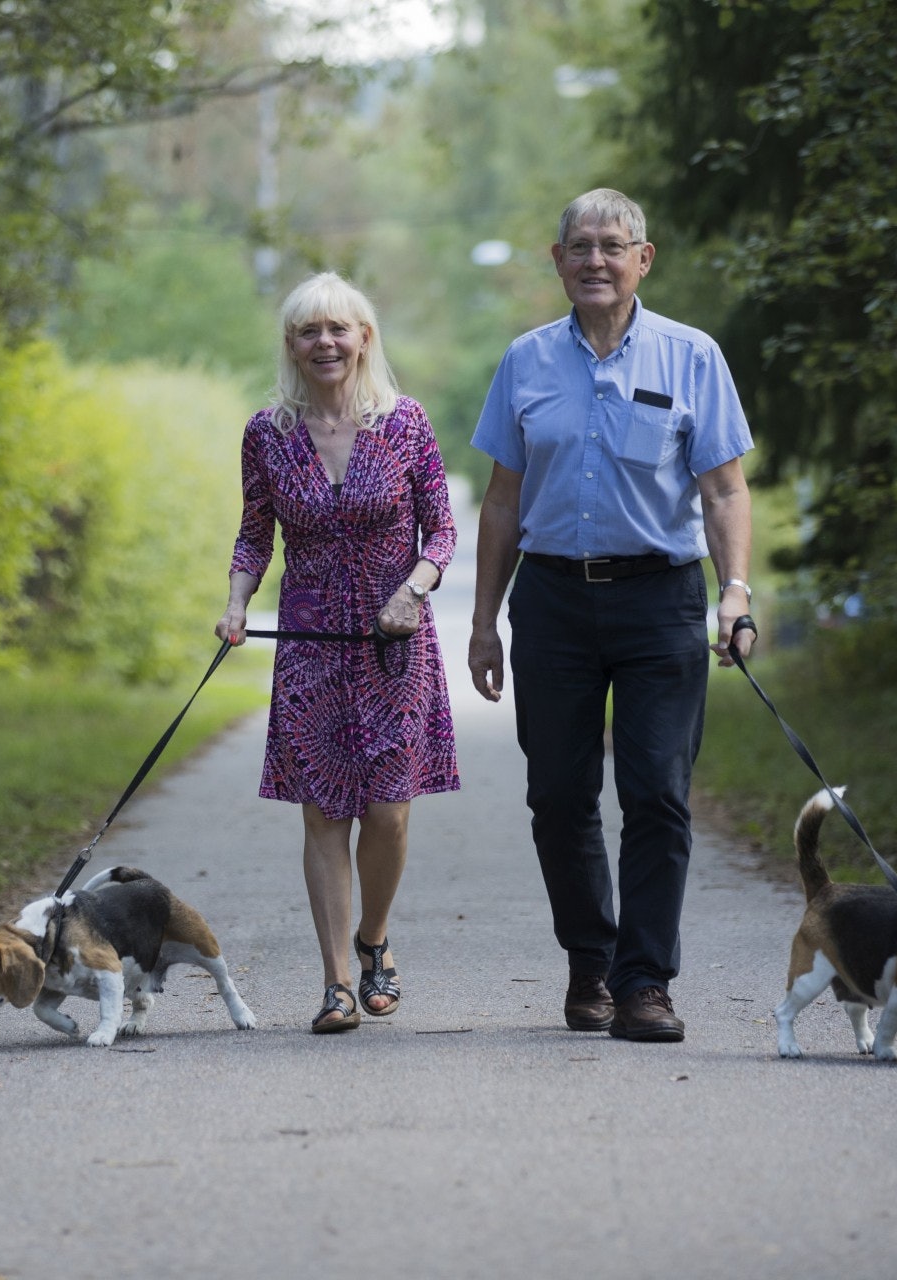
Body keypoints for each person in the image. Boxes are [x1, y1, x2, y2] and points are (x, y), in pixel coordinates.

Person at [466, 189, 756, 1043]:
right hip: (552, 600)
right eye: (579, 246)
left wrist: (735, 590)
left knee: (657, 794)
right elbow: (501, 500)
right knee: (558, 796)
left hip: (660, 597)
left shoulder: (692, 356)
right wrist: (484, 620)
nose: (595, 259)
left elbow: (725, 488)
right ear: (557, 262)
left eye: (612, 246)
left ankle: (644, 983)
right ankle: (590, 964)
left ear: (643, 259)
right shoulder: (524, 361)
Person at [216, 272, 459, 1034]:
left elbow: (443, 532)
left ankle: (374, 940)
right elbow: (256, 531)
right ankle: (336, 983)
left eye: (338, 329)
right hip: (311, 645)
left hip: (393, 644)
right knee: (324, 813)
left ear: (364, 339)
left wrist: (412, 590)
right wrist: (233, 604)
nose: (324, 342)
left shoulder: (407, 423)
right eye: (308, 331)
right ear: (291, 345)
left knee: (387, 811)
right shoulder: (268, 432)